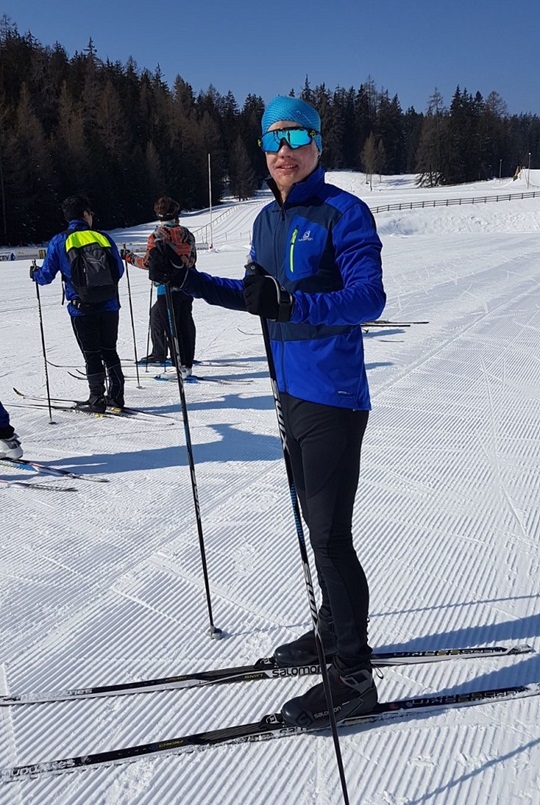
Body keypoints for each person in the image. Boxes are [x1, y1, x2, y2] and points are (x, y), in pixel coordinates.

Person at [148, 96, 386, 729]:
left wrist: (294, 304)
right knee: (316, 524)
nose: (286, 150)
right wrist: (188, 280)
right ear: (263, 149)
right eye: (274, 138)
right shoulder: (263, 222)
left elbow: (369, 298)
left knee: (330, 537)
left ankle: (354, 675)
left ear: (317, 145)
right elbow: (257, 296)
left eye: (298, 136)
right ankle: (330, 632)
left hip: (332, 395)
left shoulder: (344, 213)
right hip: (287, 392)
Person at [30, 195, 125, 413]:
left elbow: (46, 277)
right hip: (109, 305)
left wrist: (35, 274)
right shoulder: (103, 237)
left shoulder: (60, 240)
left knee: (91, 354)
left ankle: (97, 398)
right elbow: (118, 271)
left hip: (81, 307)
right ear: (85, 214)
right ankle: (117, 396)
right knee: (110, 351)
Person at [121, 197, 197, 378]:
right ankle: (186, 364)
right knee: (186, 323)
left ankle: (179, 367)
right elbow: (193, 258)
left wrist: (129, 257)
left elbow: (148, 263)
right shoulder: (187, 234)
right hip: (188, 284)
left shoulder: (157, 236)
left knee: (172, 327)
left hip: (166, 287)